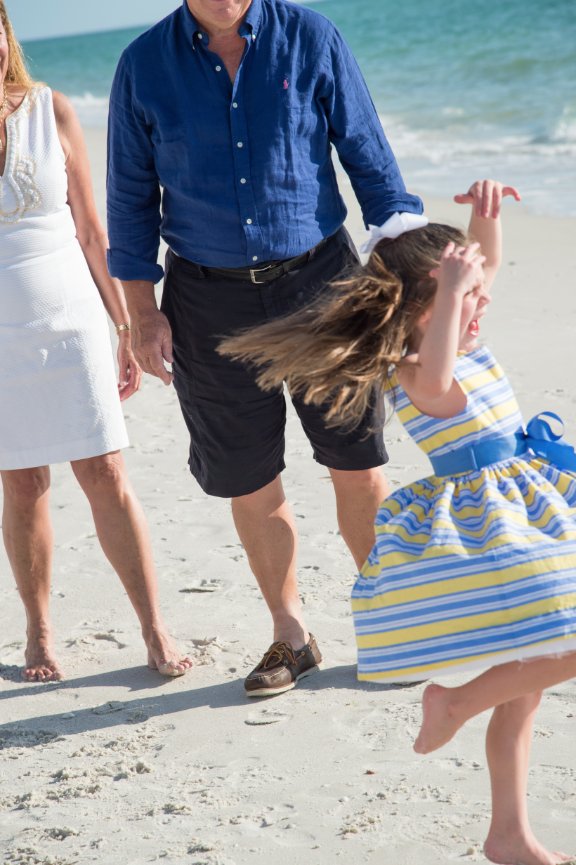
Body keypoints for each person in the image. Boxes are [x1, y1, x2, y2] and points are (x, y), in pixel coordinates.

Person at [220, 179, 576, 865]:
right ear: (422, 307)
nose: (483, 304)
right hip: (495, 530)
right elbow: (441, 372)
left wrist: (483, 218)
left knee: (527, 688)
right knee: (553, 653)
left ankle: (509, 833)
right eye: (466, 298)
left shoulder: (460, 337)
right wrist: (452, 293)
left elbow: (489, 267)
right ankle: (452, 701)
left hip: (530, 509)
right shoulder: (416, 370)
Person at [106, 0, 425, 697]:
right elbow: (130, 199)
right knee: (248, 478)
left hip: (324, 284)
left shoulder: (311, 36)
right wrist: (138, 313)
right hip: (206, 301)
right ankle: (291, 633)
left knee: (358, 463)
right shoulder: (143, 66)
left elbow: (371, 162)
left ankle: (394, 622)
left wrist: (417, 283)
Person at [0, 3, 192, 683]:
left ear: (6, 33)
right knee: (21, 483)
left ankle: (154, 627)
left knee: (104, 472)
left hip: (71, 320)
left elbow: (91, 230)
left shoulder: (49, 111)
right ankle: (39, 631)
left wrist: (124, 325)